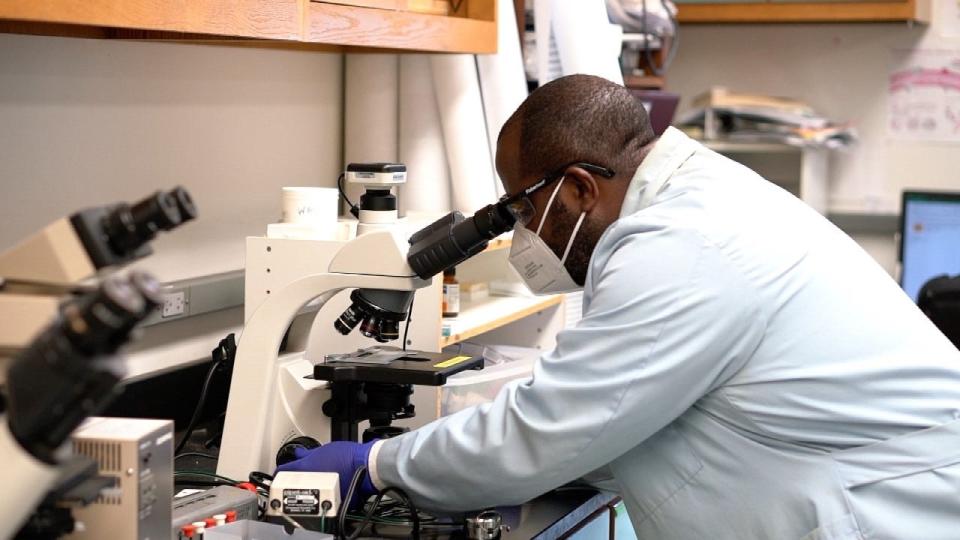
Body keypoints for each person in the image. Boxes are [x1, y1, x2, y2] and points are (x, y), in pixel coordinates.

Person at [278, 75, 960, 538]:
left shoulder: (683, 244)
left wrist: (372, 469)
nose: (523, 235)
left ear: (576, 189)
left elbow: (546, 431)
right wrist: (473, 464)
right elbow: (609, 418)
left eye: (522, 209)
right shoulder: (694, 205)